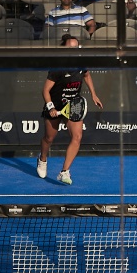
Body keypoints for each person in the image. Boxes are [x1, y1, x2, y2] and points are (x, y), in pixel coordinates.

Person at [36, 34, 104, 186]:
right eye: (70, 47)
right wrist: (51, 107)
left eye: (76, 47)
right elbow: (45, 90)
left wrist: (94, 94)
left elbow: (87, 75)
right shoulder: (58, 67)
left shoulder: (81, 64)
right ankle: (42, 159)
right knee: (49, 138)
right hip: (55, 105)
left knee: (77, 137)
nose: (74, 49)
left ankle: (64, 171)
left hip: (73, 105)